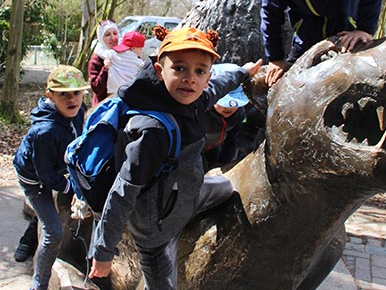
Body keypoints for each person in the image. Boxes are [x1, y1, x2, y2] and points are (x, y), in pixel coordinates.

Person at [88, 25, 262, 289]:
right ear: (160, 71)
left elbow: (215, 88)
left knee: (230, 187)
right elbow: (121, 194)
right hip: (154, 227)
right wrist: (103, 254)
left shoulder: (192, 100)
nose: (190, 78)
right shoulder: (152, 131)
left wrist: (242, 72)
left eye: (199, 71)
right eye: (179, 68)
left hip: (187, 194)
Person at [12, 65, 90, 290]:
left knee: (50, 211)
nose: (72, 99)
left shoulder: (77, 111)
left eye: (76, 92)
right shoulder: (45, 132)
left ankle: (27, 240)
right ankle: (39, 284)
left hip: (55, 167)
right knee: (53, 232)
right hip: (35, 178)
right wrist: (74, 188)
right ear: (50, 96)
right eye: (63, 94)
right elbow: (46, 178)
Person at [203, 63, 250, 171]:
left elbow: (233, 139)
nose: (229, 108)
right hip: (195, 147)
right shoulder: (202, 112)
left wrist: (224, 163)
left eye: (236, 105)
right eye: (223, 103)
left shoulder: (238, 114)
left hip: (215, 145)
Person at [88, 19, 120, 106]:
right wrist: (105, 69)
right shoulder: (96, 59)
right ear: (101, 38)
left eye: (115, 33)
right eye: (107, 35)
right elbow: (96, 89)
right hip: (103, 106)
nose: (113, 38)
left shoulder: (123, 55)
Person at [106, 30, 146, 98]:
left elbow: (101, 53)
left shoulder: (112, 54)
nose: (141, 51)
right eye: (140, 48)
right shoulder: (138, 62)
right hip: (128, 93)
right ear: (133, 48)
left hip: (112, 92)